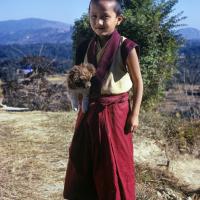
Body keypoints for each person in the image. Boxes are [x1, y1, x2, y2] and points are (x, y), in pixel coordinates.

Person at [63, 0, 143, 199]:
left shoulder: (126, 47)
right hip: (89, 110)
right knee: (83, 159)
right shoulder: (84, 47)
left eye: (105, 17)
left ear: (118, 19)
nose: (98, 22)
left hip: (116, 112)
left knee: (114, 162)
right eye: (93, 16)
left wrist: (135, 115)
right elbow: (79, 80)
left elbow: (139, 83)